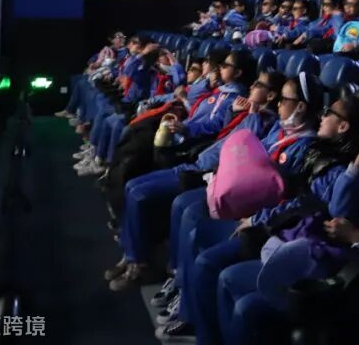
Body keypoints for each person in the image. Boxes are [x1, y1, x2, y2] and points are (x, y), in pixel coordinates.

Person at [215, 98, 359, 345]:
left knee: (247, 308)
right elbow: (339, 207)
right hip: (339, 257)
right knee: (228, 279)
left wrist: (358, 237)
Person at [154, 73, 327, 339]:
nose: (278, 104)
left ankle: (197, 323)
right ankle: (184, 292)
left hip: (261, 218)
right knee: (188, 217)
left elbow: (291, 198)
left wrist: (257, 218)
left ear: (301, 107)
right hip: (242, 201)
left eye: (284, 99)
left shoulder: (307, 147)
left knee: (206, 260)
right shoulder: (278, 129)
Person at [105, 49, 257, 290]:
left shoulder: (235, 101)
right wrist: (202, 86)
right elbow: (193, 97)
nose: (219, 69)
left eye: (225, 65)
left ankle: (139, 264)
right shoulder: (219, 92)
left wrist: (187, 128)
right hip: (190, 150)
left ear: (238, 73)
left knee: (138, 191)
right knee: (131, 185)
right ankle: (130, 253)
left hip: (196, 158)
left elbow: (216, 128)